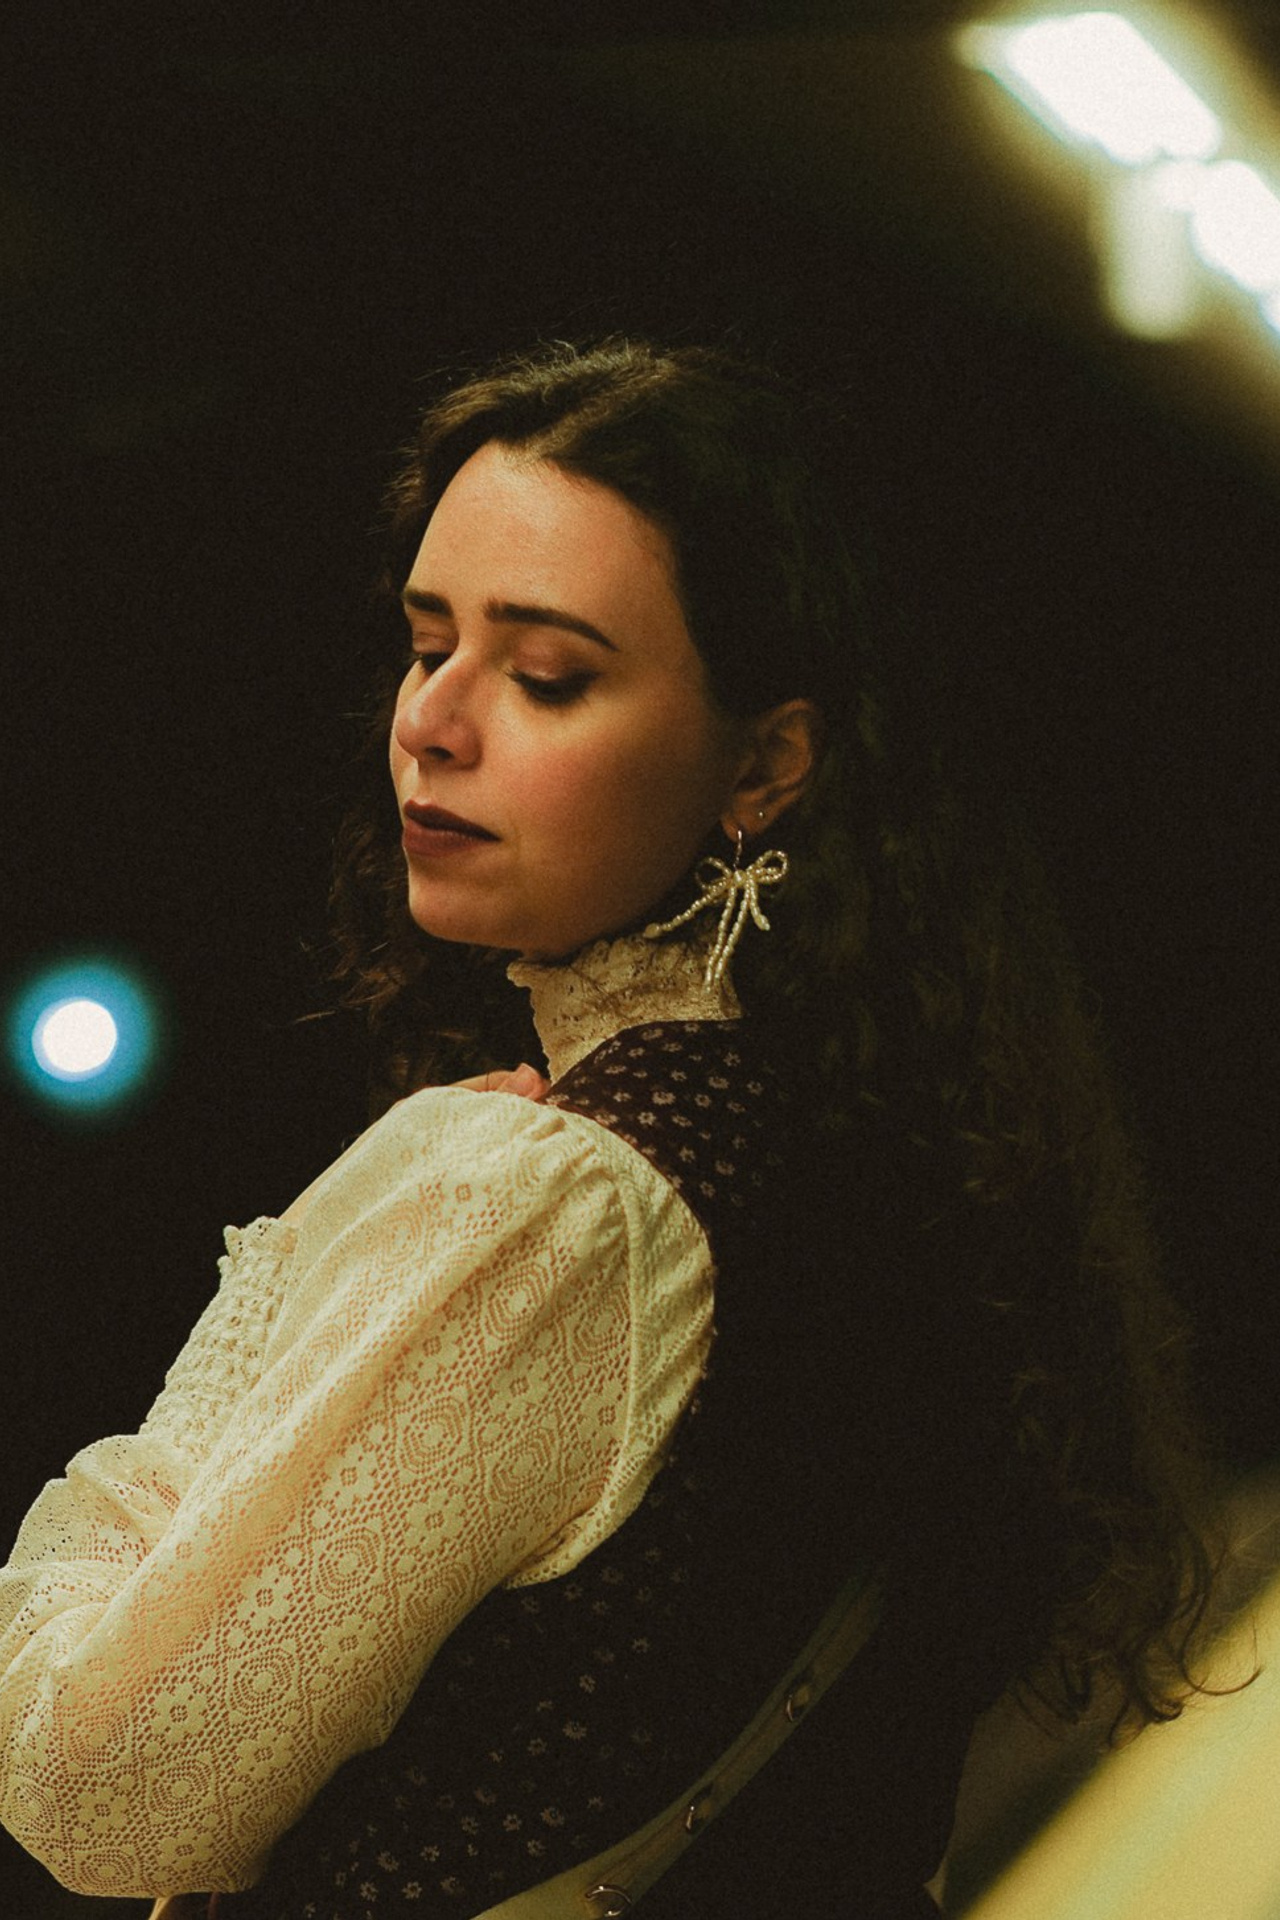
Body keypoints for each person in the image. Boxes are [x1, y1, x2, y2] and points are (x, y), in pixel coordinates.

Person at [0, 338, 1220, 1920]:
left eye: (549, 674)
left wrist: (281, 1298)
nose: (434, 723)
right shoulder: (883, 1129)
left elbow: (102, 1793)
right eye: (425, 642)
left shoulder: (557, 1201)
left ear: (767, 764)